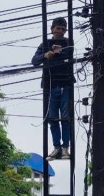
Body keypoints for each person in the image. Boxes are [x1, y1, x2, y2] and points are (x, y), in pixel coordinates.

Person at [31, 17, 74, 160]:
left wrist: (59, 52)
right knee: (52, 118)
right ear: (52, 29)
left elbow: (69, 56)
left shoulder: (68, 42)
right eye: (58, 28)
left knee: (66, 118)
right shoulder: (45, 44)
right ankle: (56, 148)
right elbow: (34, 61)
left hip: (65, 84)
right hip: (50, 85)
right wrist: (46, 55)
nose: (60, 32)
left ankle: (65, 148)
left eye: (63, 29)